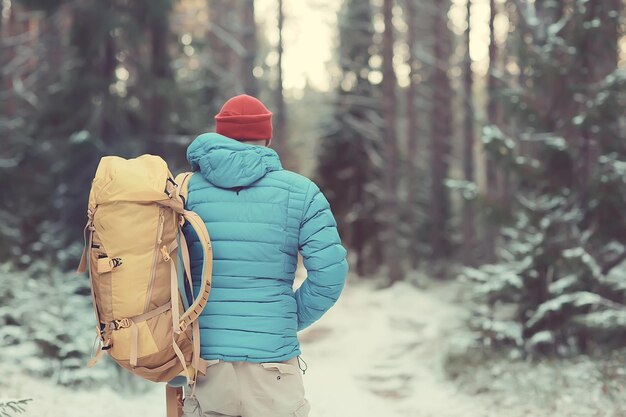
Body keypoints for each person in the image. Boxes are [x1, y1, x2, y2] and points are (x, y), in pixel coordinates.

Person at [181, 94, 349, 417]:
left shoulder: (184, 192)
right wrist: (286, 318)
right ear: (267, 138)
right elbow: (330, 275)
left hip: (206, 364)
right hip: (274, 366)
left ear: (220, 135)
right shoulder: (302, 193)